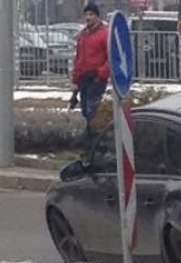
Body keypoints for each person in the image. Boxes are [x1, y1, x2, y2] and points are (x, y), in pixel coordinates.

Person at [72, 3, 110, 159]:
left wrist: (101, 74)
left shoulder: (104, 34)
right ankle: (90, 147)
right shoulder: (83, 35)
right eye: (86, 14)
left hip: (96, 78)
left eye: (91, 14)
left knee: (92, 111)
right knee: (86, 112)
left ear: (97, 16)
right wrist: (75, 79)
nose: (88, 17)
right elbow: (78, 59)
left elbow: (110, 57)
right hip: (84, 79)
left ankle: (94, 147)